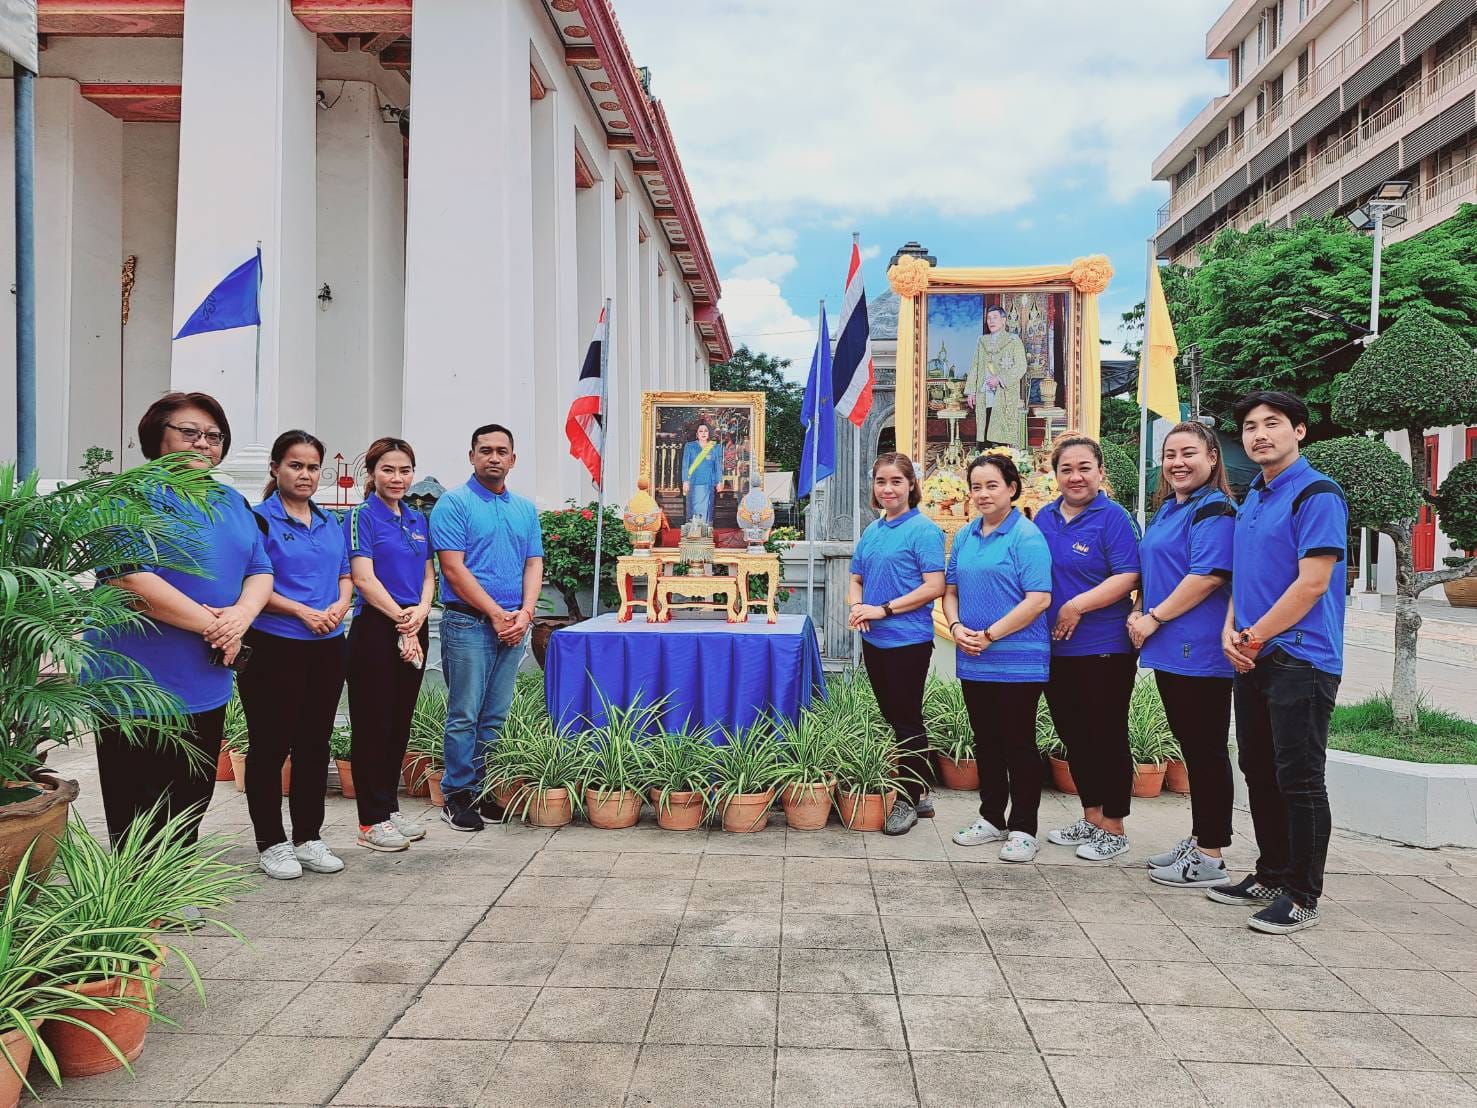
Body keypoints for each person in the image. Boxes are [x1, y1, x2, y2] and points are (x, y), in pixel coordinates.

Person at [89, 392, 273, 847]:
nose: (203, 443)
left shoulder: (231, 502)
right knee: (137, 808)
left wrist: (241, 614)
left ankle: (174, 881)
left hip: (205, 680)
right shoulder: (127, 495)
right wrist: (218, 627)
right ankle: (137, 888)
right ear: (158, 436)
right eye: (189, 432)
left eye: (214, 435)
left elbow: (260, 569)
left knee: (189, 800)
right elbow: (129, 580)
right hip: (137, 681)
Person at [1212, 391, 1346, 935]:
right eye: (1250, 426)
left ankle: (1302, 894)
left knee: (1300, 778)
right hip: (1253, 653)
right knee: (1259, 769)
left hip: (1301, 656)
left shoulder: (1317, 493)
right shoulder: (1255, 495)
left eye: (1272, 423)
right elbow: (1245, 578)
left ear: (1300, 430)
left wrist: (1253, 635)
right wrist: (1231, 630)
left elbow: (1312, 584)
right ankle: (1270, 873)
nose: (1259, 434)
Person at [236, 431, 352, 880]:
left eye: (312, 467)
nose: (305, 475)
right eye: (295, 465)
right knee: (270, 745)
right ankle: (271, 842)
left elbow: (345, 575)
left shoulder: (329, 522)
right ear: (275, 468)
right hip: (274, 644)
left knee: (314, 743)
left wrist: (339, 607)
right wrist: (302, 611)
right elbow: (251, 583)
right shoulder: (257, 521)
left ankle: (308, 837)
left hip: (327, 645)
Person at [1127, 422, 1237, 889]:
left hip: (1200, 650)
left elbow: (1207, 575)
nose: (1177, 463)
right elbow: (1155, 568)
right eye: (1170, 454)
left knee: (1206, 750)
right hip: (1172, 650)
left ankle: (1210, 854)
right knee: (1193, 748)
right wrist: (1139, 608)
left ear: (1212, 457)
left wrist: (1153, 617)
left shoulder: (1215, 509)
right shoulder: (1172, 508)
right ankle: (1199, 838)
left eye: (1189, 453)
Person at [431, 424, 545, 831]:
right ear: (472, 456)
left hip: (514, 625)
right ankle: (457, 795)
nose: (493, 457)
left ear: (512, 459)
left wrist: (525, 613)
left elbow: (534, 563)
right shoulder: (454, 504)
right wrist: (497, 614)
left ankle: (482, 792)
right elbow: (452, 569)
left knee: (495, 715)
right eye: (485, 450)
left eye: (501, 451)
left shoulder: (525, 509)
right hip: (468, 623)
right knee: (464, 713)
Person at [1036, 434, 1142, 861]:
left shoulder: (1113, 517)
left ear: (1100, 472)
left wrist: (1077, 605)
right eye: (1066, 469)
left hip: (1104, 647)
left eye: (1084, 468)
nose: (1076, 477)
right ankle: (1091, 816)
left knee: (1106, 735)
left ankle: (1114, 827)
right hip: (1055, 650)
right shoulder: (1044, 517)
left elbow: (1129, 575)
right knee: (1074, 736)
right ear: (1055, 474)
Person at [944, 453, 1053, 861]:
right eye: (976, 487)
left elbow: (1039, 599)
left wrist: (990, 635)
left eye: (992, 485)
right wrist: (956, 627)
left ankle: (1024, 828)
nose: (983, 494)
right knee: (986, 741)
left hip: (1018, 658)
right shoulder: (966, 535)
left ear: (1012, 488)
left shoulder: (1026, 536)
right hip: (974, 656)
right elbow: (950, 590)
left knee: (1018, 743)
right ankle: (991, 817)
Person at [847, 452, 946, 836]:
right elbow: (856, 578)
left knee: (906, 721)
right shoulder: (873, 530)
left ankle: (908, 799)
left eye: (896, 481)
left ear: (911, 486)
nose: (887, 489)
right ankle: (919, 790)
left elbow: (934, 586)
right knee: (895, 718)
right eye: (881, 481)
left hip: (908, 641)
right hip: (875, 640)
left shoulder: (924, 530)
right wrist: (858, 607)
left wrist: (883, 609)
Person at [344, 437, 436, 853]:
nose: (397, 478)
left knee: (399, 722)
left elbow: (429, 575)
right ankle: (370, 820)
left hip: (414, 623)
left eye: (404, 470)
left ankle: (388, 807)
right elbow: (363, 578)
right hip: (377, 629)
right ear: (372, 473)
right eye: (388, 470)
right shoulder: (361, 517)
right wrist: (402, 620)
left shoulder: (417, 519)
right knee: (372, 724)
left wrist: (421, 612)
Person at [966, 306, 1027, 449]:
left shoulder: (1013, 340)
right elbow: (975, 366)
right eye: (989, 318)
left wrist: (999, 379)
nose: (991, 321)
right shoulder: (982, 341)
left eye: (995, 317)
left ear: (1004, 320)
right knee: (983, 437)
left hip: (1003, 396)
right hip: (984, 395)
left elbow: (1021, 366)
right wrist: (971, 391)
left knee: (1001, 440)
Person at [681, 421, 723, 524]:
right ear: (697, 434)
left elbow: (717, 466)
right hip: (694, 483)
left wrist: (719, 481)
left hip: (709, 483)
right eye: (700, 431)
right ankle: (694, 530)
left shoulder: (715, 447)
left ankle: (706, 531)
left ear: (709, 433)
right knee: (694, 509)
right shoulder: (689, 446)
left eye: (705, 431)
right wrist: (685, 481)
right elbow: (685, 464)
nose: (703, 433)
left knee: (708, 509)